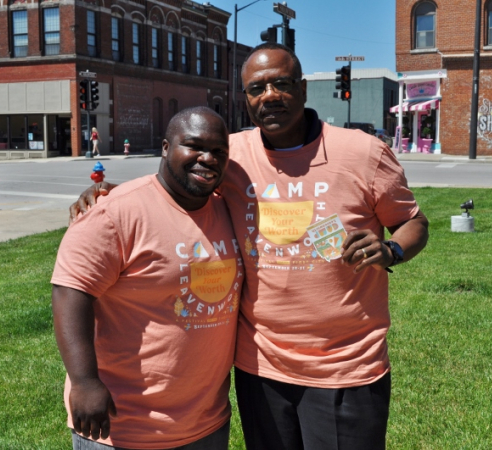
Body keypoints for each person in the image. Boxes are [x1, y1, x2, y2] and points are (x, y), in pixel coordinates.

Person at [71, 44, 429, 450]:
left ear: (303, 88)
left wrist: (393, 250)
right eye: (257, 88)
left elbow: (414, 222)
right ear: (246, 98)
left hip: (344, 366)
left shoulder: (363, 152)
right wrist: (112, 195)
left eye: (281, 83)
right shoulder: (231, 154)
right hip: (259, 367)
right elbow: (176, 179)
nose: (270, 95)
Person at [53, 107, 243, 450]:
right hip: (123, 426)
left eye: (218, 151)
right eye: (194, 146)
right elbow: (70, 291)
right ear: (166, 148)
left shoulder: (226, 208)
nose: (207, 158)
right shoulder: (114, 213)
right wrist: (84, 382)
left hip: (206, 423)